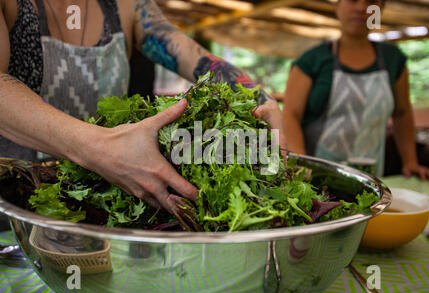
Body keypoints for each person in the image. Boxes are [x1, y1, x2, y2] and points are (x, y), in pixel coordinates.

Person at [0, 0, 283, 216]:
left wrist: (259, 98)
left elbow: (198, 61)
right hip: (13, 205)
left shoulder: (127, 5)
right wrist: (100, 147)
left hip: (104, 206)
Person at [282, 0, 429, 183]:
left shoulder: (393, 59)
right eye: (352, 0)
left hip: (371, 178)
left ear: (380, 10)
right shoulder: (312, 61)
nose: (361, 8)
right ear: (337, 6)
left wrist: (410, 161)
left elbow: (402, 113)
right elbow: (290, 116)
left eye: (372, 2)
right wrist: (301, 165)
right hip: (315, 179)